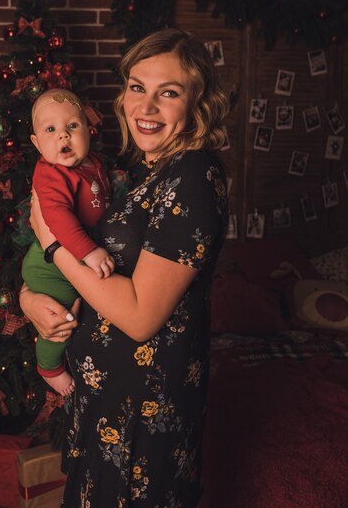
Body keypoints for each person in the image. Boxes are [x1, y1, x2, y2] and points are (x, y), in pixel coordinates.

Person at [20, 28, 229, 507]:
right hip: (104, 400)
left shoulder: (193, 176)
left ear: (197, 104)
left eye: (168, 93)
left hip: (144, 413)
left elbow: (139, 317)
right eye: (138, 87)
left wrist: (54, 245)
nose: (146, 107)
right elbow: (80, 258)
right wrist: (30, 300)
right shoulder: (135, 170)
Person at [22, 88, 114, 396]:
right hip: (49, 266)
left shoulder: (92, 163)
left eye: (72, 126)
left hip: (71, 255)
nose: (63, 136)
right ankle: (49, 367)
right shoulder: (50, 174)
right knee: (61, 317)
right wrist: (89, 251)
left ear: (88, 129)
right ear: (37, 142)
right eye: (51, 130)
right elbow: (56, 217)